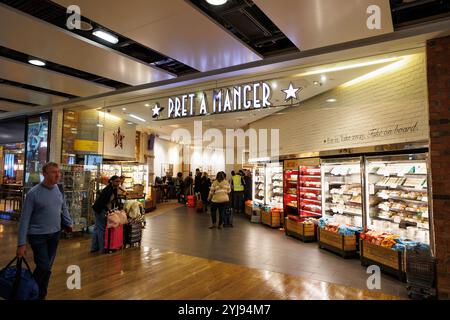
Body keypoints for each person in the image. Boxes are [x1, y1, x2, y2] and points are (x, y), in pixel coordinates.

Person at [16, 162, 73, 300]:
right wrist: (21, 243)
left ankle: (41, 295)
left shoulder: (58, 189)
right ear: (44, 174)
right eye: (54, 172)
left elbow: (63, 206)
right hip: (37, 236)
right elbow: (24, 219)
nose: (57, 175)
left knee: (47, 268)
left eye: (58, 172)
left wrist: (68, 222)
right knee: (43, 266)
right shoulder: (33, 194)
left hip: (55, 234)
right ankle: (27, 293)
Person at [91, 175, 121, 254]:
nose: (118, 183)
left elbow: (116, 200)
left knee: (97, 228)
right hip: (99, 209)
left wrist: (119, 208)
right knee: (101, 229)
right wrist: (109, 210)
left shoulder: (114, 189)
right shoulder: (108, 190)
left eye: (119, 181)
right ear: (112, 181)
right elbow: (103, 203)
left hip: (99, 208)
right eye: (116, 181)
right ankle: (101, 248)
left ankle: (94, 247)